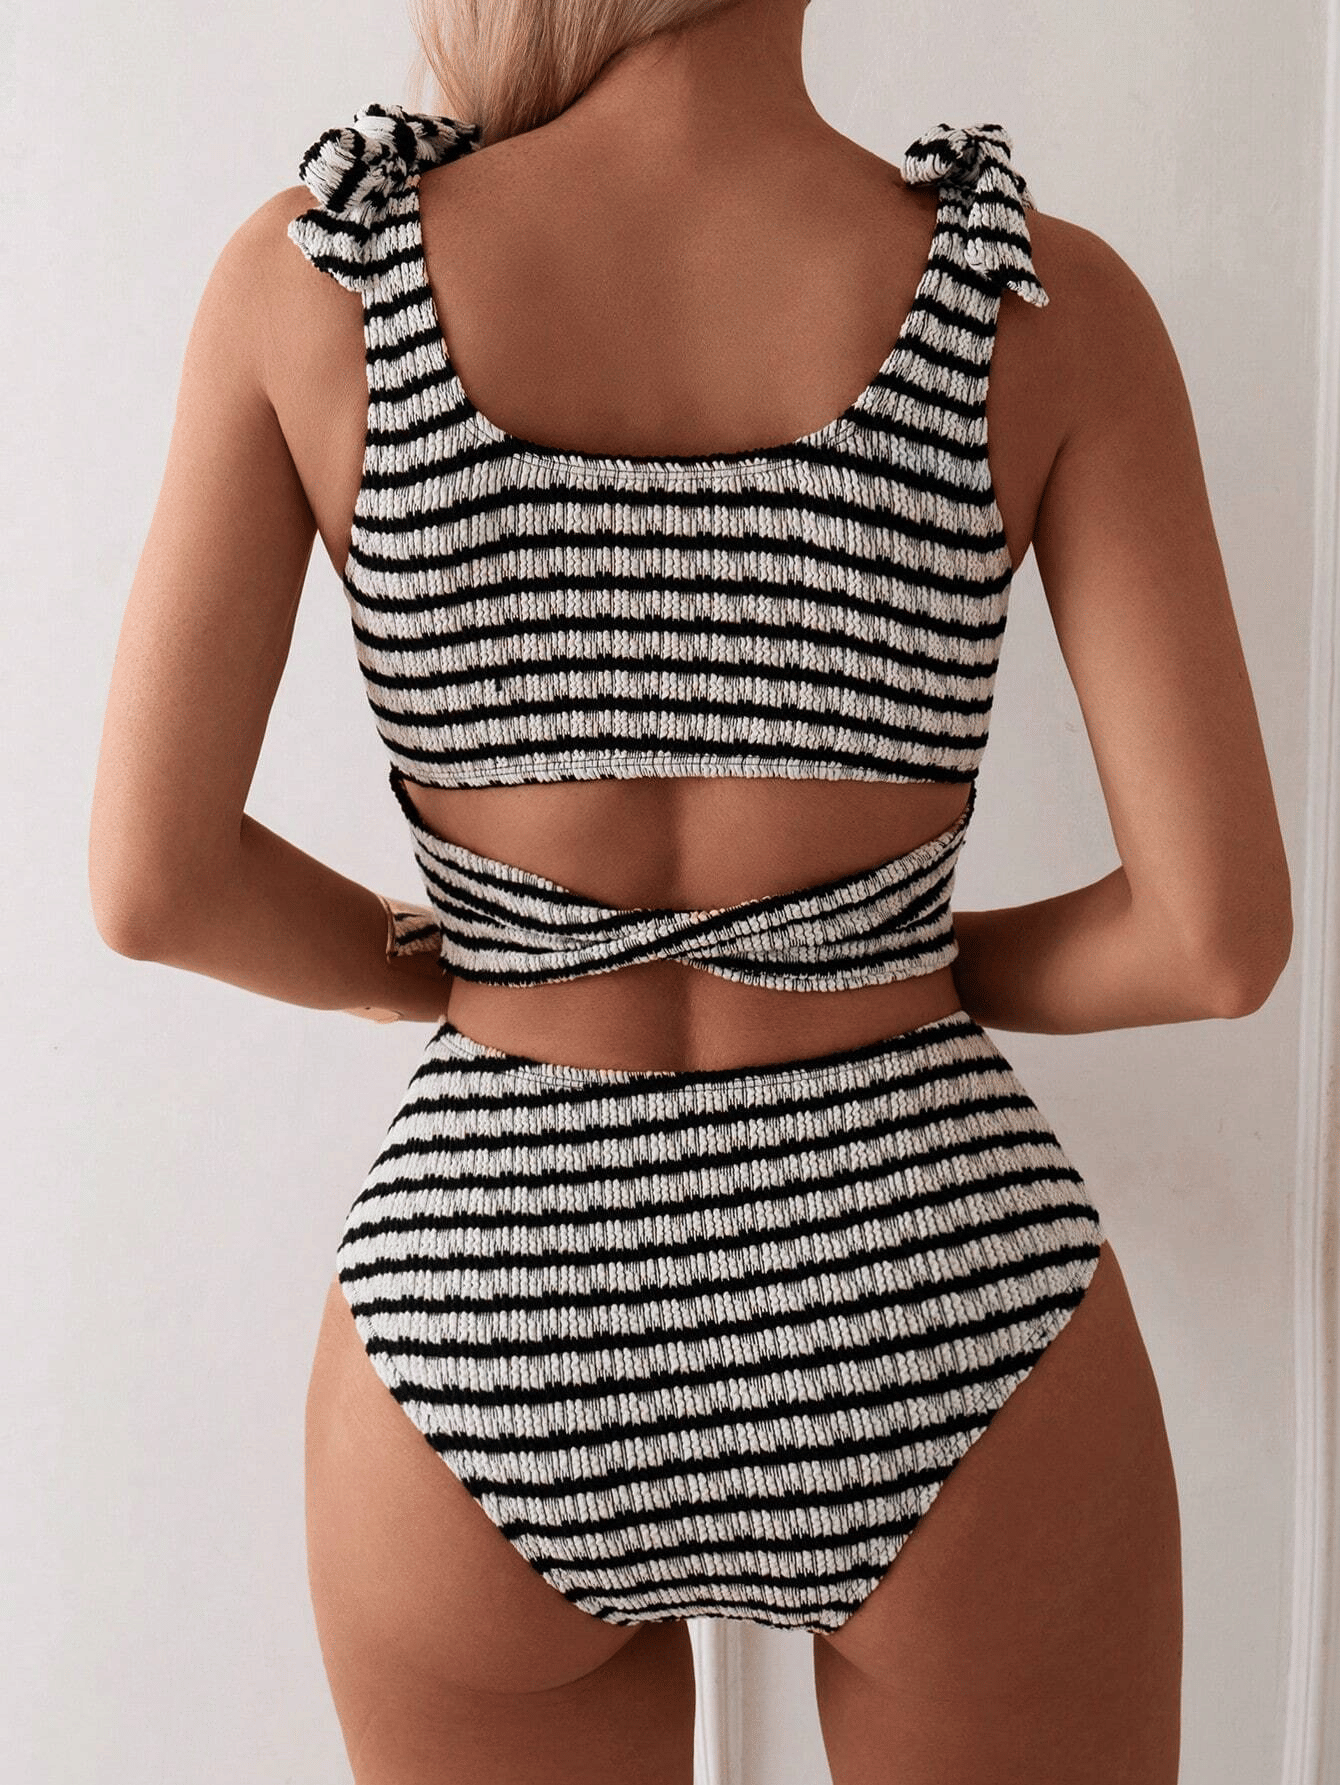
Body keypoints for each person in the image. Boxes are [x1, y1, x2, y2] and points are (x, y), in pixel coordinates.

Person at [88, 0, 1293, 1779]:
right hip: (930, 1281)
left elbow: (154, 885)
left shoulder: (321, 282)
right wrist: (884, 960)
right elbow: (1211, 941)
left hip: (489, 1303)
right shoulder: (1034, 300)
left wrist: (456, 970)